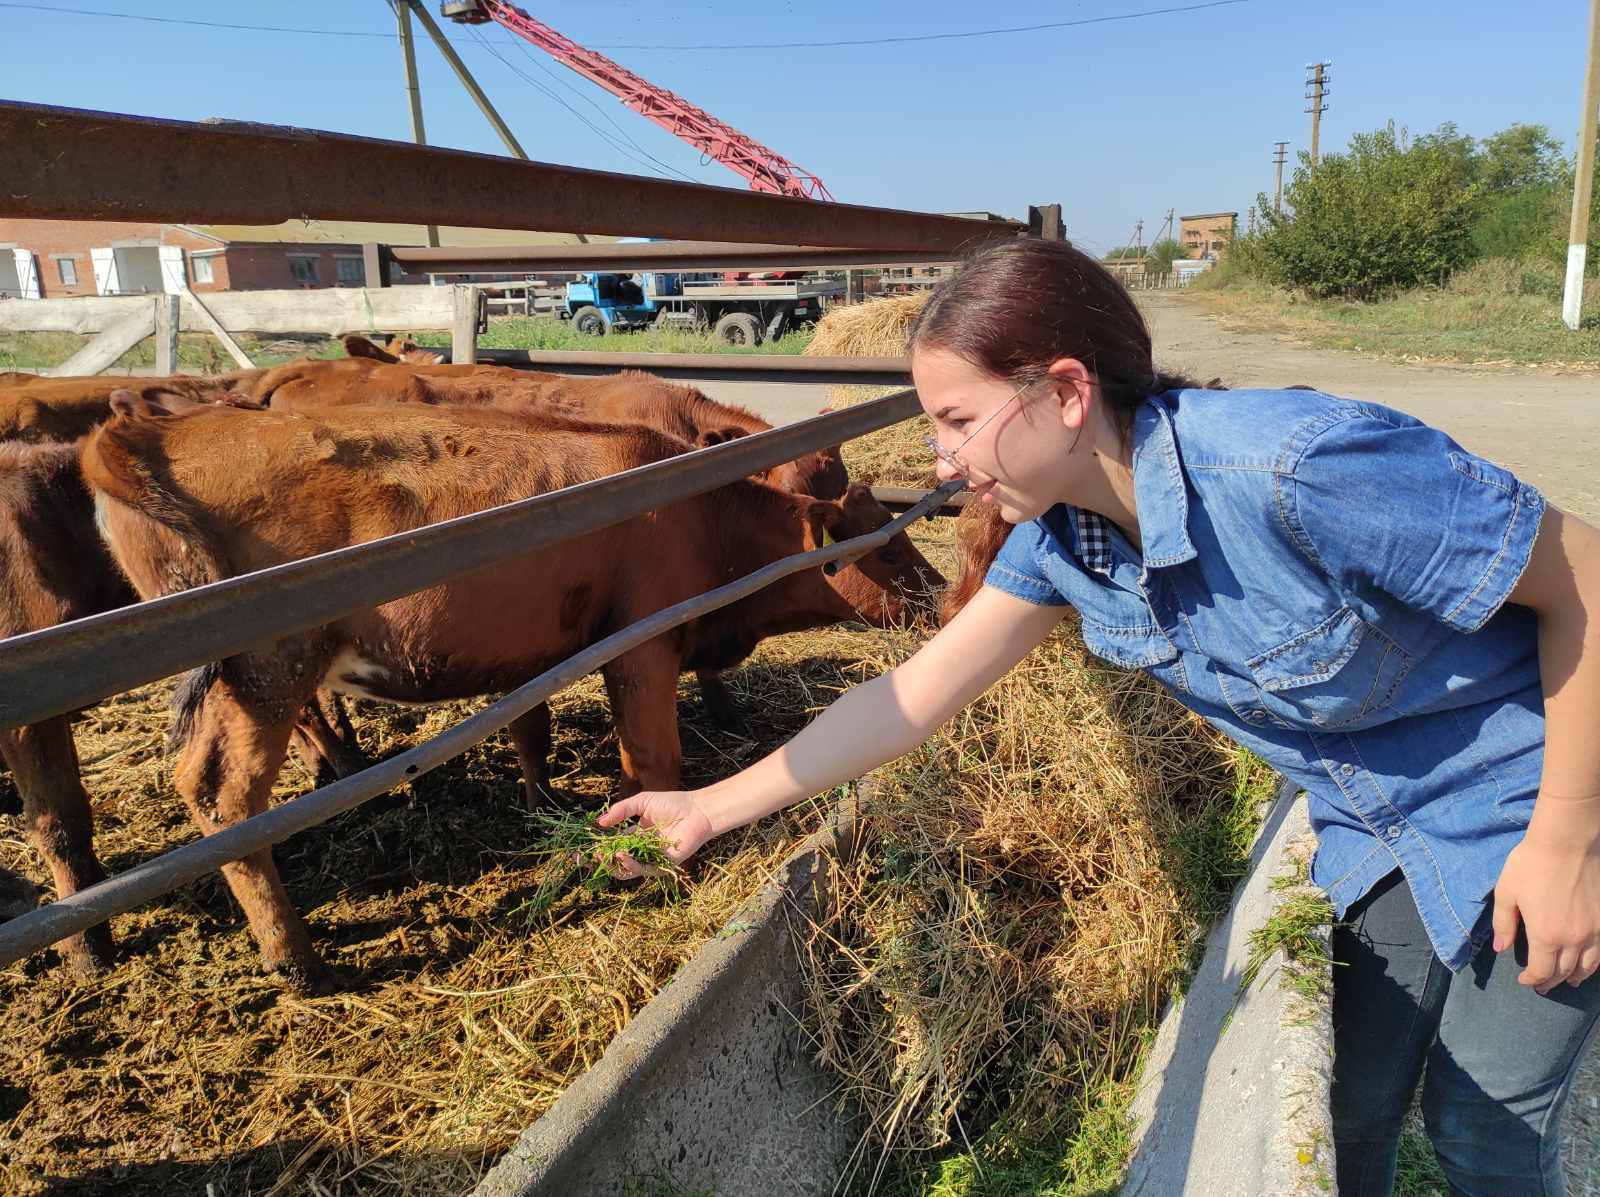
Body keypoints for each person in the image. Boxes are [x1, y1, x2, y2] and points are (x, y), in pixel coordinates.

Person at [596, 238, 1600, 1196]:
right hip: (1374, 817)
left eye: (956, 419)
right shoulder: (1063, 543)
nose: (940, 461)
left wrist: (1564, 844)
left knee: (1481, 1129)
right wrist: (709, 806)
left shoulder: (1292, 468)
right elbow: (907, 699)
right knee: (1349, 1104)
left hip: (1543, 785)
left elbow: (1589, 582)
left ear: (1068, 394)